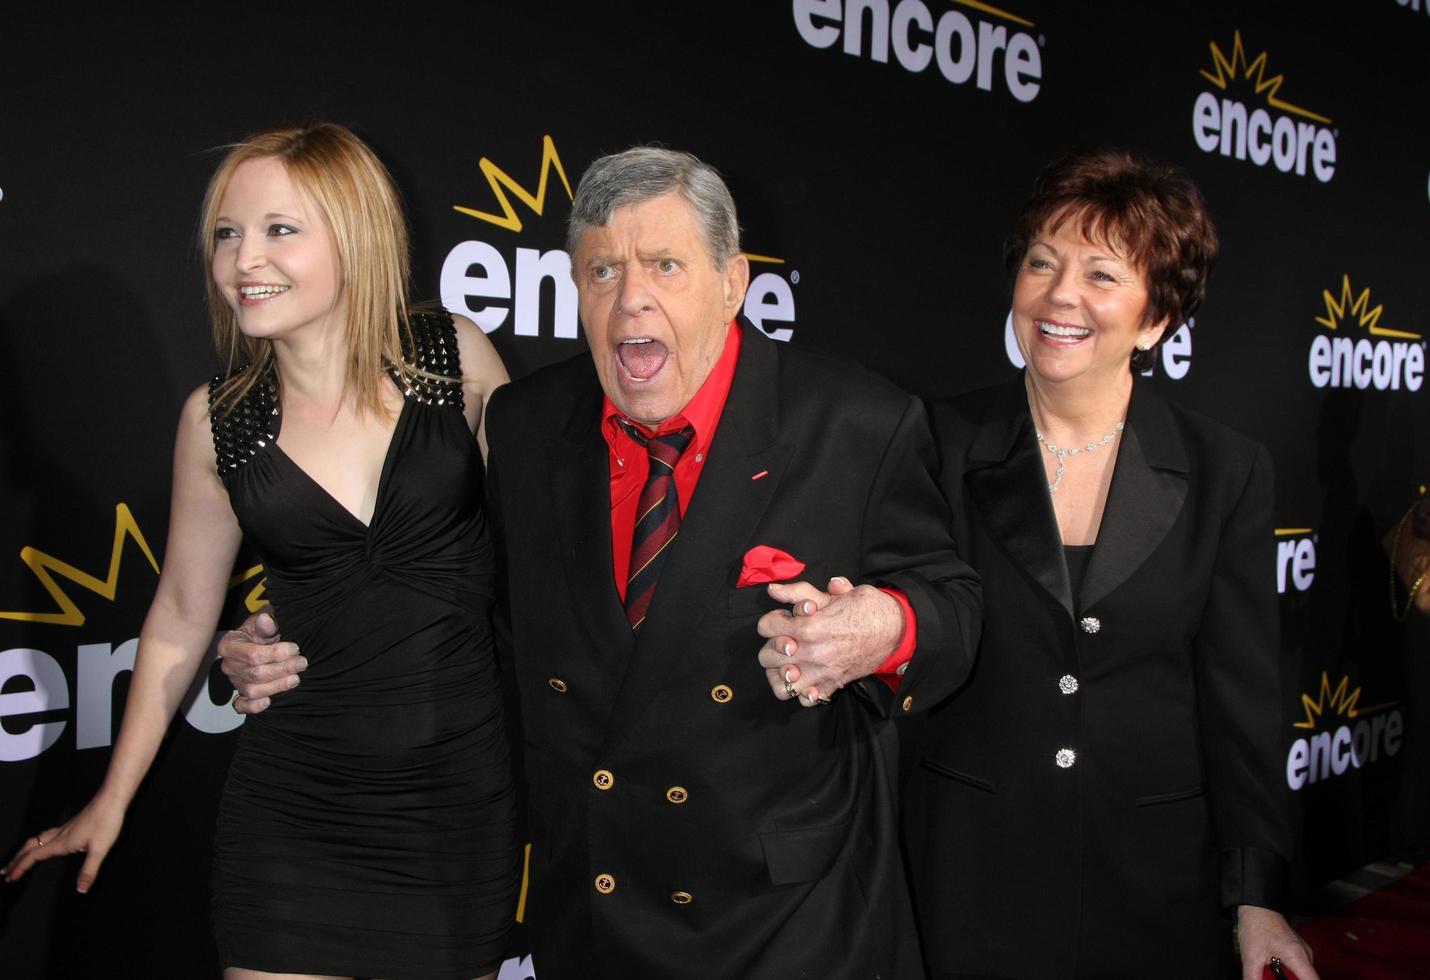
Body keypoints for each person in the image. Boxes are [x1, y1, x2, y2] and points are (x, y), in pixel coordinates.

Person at [221, 145, 983, 978]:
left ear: (733, 285)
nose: (632, 301)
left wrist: (886, 624)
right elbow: (461, 604)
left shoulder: (856, 422)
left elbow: (952, 603)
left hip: (786, 918)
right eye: (602, 270)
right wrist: (271, 643)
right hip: (597, 912)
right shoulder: (525, 423)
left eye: (665, 265)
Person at [5, 123, 518, 980]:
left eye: (281, 229)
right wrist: (111, 799)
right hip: (295, 808)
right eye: (227, 233)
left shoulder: (450, 361)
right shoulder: (219, 423)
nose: (245, 260)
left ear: (356, 235)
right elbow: (176, 615)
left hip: (455, 804)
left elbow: (544, 547)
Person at [903, 147, 1318, 980]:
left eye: (1101, 275)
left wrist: (1257, 895)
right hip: (966, 871)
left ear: (1157, 318)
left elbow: (1239, 701)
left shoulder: (1225, 469)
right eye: (1042, 263)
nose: (1060, 295)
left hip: (1154, 877)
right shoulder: (932, 443)